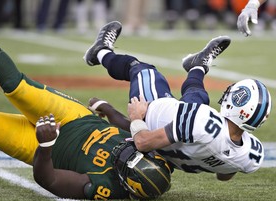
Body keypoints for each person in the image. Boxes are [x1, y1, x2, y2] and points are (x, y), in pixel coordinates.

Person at [84, 21, 272, 181]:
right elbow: (224, 175)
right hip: (179, 149)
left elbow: (142, 142)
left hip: (152, 117)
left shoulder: (199, 120)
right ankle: (197, 65)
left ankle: (100, 52)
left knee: (142, 70)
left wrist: (136, 118)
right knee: (196, 98)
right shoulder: (252, 155)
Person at [0, 41, 171, 200]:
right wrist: (109, 109)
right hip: (73, 117)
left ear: (126, 184)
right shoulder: (150, 148)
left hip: (42, 147)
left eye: (125, 161)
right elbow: (130, 127)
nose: (123, 152)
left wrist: (46, 144)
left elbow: (48, 179)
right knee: (17, 86)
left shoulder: (105, 186)